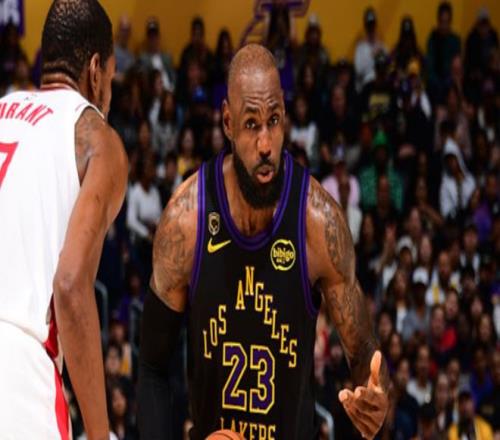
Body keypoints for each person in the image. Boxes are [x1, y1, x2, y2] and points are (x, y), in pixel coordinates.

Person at [138, 44, 389, 439]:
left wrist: (376, 397)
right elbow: (152, 365)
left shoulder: (319, 222)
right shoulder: (187, 220)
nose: (266, 144)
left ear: (285, 115)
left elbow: (363, 353)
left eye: (273, 121)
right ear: (227, 122)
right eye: (251, 124)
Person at [0, 1, 128, 439]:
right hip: (16, 373)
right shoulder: (97, 139)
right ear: (95, 70)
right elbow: (71, 285)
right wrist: (100, 434)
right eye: (111, 78)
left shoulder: (3, 107)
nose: (109, 93)